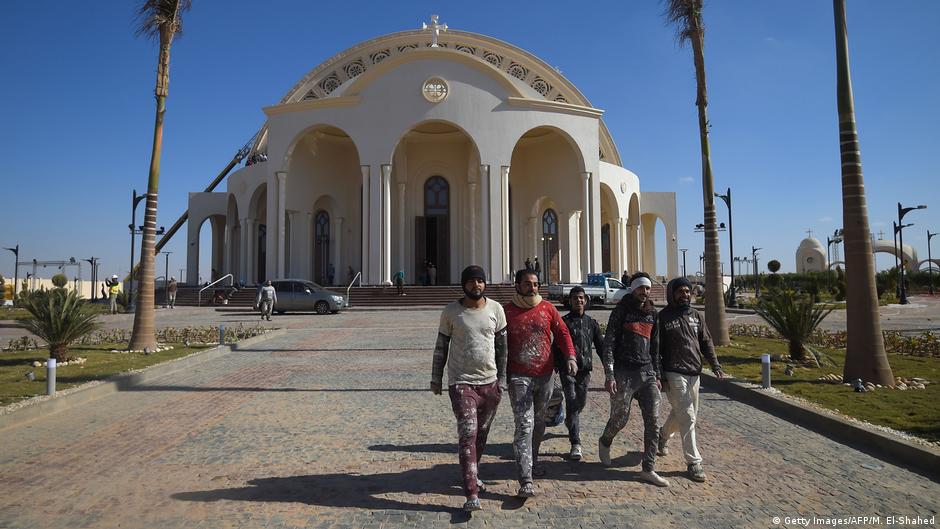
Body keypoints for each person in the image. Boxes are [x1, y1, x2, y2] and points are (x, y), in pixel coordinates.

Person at [430, 265, 508, 512]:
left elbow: (503, 349)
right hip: (461, 383)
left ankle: (473, 473)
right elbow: (441, 347)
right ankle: (471, 493)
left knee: (481, 435)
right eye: (472, 281)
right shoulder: (451, 312)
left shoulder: (496, 309)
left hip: (490, 383)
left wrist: (502, 381)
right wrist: (436, 378)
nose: (477, 285)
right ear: (463, 284)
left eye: (480, 281)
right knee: (468, 435)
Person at [504, 269, 576, 497]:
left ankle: (533, 460)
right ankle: (526, 479)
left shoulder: (547, 308)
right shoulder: (506, 311)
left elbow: (562, 333)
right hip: (518, 376)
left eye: (535, 284)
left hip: (545, 375)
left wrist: (571, 356)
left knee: (539, 423)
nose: (532, 288)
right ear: (517, 285)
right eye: (527, 284)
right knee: (524, 425)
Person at [599, 272, 668, 487]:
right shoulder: (621, 312)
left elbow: (656, 348)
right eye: (640, 288)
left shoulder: (652, 314)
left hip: (647, 373)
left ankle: (648, 468)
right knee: (620, 418)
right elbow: (608, 343)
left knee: (654, 421)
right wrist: (610, 374)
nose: (644, 292)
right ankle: (605, 441)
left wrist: (657, 375)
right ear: (632, 289)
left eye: (647, 288)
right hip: (624, 372)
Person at [657, 276, 724, 482]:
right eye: (680, 292)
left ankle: (663, 435)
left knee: (684, 414)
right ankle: (694, 462)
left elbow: (706, 342)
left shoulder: (696, 315)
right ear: (672, 294)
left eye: (687, 291)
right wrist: (660, 375)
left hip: (694, 373)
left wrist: (715, 365)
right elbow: (656, 349)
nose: (685, 295)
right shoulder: (664, 317)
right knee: (688, 417)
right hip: (674, 372)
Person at [552, 286, 603, 461]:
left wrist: (610, 369)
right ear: (570, 301)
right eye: (575, 298)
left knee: (580, 402)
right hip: (567, 370)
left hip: (585, 370)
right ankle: (575, 443)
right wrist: (556, 365)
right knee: (572, 402)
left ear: (586, 300)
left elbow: (601, 348)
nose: (578, 301)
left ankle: (570, 421)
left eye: (581, 298)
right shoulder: (563, 321)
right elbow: (556, 347)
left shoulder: (592, 323)